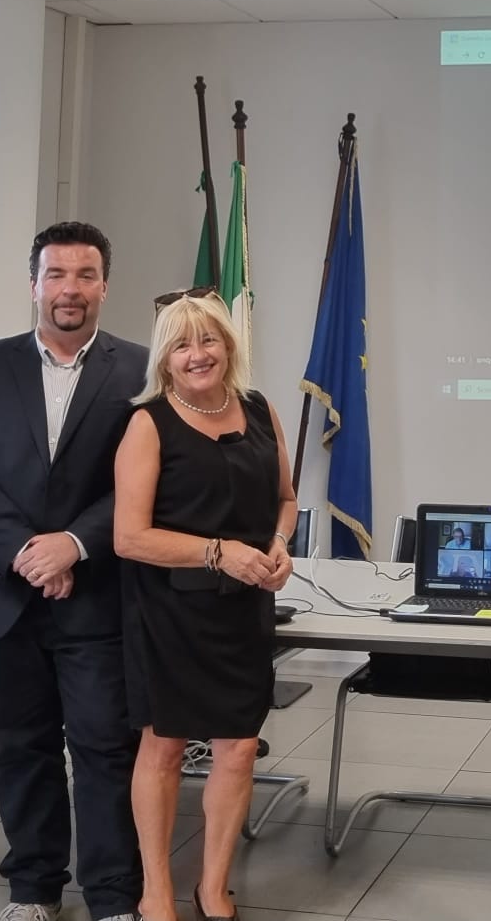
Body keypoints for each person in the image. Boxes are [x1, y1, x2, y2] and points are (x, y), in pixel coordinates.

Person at [0, 223, 147, 921]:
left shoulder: (143, 370)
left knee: (104, 747)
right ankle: (33, 889)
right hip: (1, 591)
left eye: (85, 275)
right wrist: (30, 551)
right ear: (34, 285)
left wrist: (75, 545)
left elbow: (149, 479)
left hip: (98, 592)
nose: (69, 289)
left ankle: (113, 896)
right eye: (56, 274)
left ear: (104, 286)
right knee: (20, 748)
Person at [116, 293, 296, 921]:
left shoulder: (259, 409)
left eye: (209, 340)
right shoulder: (148, 423)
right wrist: (218, 552)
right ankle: (155, 890)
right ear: (164, 359)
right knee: (164, 748)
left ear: (229, 347)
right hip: (168, 612)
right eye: (182, 345)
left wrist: (278, 545)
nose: (198, 355)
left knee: (239, 749)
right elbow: (129, 537)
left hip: (244, 609)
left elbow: (286, 499)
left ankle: (213, 886)